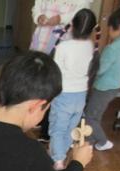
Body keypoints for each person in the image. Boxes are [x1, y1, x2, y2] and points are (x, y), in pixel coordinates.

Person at [30, 0, 92, 143]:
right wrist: (38, 16)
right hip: (42, 41)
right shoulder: (88, 47)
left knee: (52, 85)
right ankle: (41, 120)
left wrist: (61, 19)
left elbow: (81, 15)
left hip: (63, 44)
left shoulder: (71, 46)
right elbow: (36, 8)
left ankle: (47, 130)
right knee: (40, 82)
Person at [49, 8, 97, 170]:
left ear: (73, 26)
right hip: (81, 95)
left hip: (64, 94)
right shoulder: (90, 46)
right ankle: (59, 154)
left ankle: (58, 160)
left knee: (58, 128)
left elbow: (55, 72)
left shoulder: (63, 46)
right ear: (91, 29)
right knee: (70, 129)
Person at [84, 7, 120, 152]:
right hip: (115, 87)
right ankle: (89, 140)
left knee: (89, 116)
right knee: (96, 115)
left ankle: (104, 141)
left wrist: (90, 68)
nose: (109, 30)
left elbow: (100, 70)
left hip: (103, 88)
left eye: (110, 28)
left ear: (118, 27)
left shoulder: (112, 48)